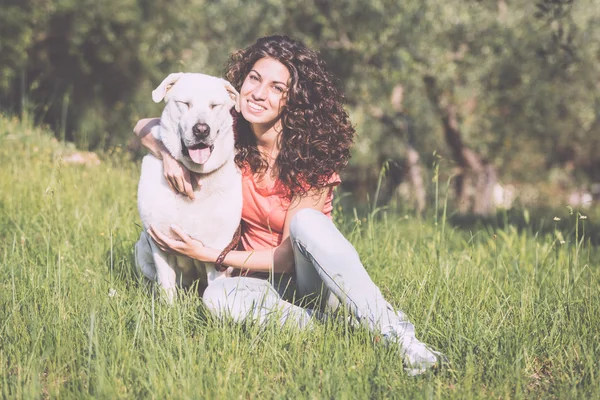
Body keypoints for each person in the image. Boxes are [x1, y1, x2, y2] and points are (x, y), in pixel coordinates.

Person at [134, 35, 444, 375]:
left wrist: (210, 255)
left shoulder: (313, 155)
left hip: (309, 278)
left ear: (292, 99)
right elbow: (146, 126)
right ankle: (333, 329)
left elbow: (285, 258)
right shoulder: (230, 130)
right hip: (260, 283)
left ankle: (396, 334)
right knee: (217, 298)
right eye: (254, 78)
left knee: (306, 223)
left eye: (276, 87)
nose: (258, 92)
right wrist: (168, 156)